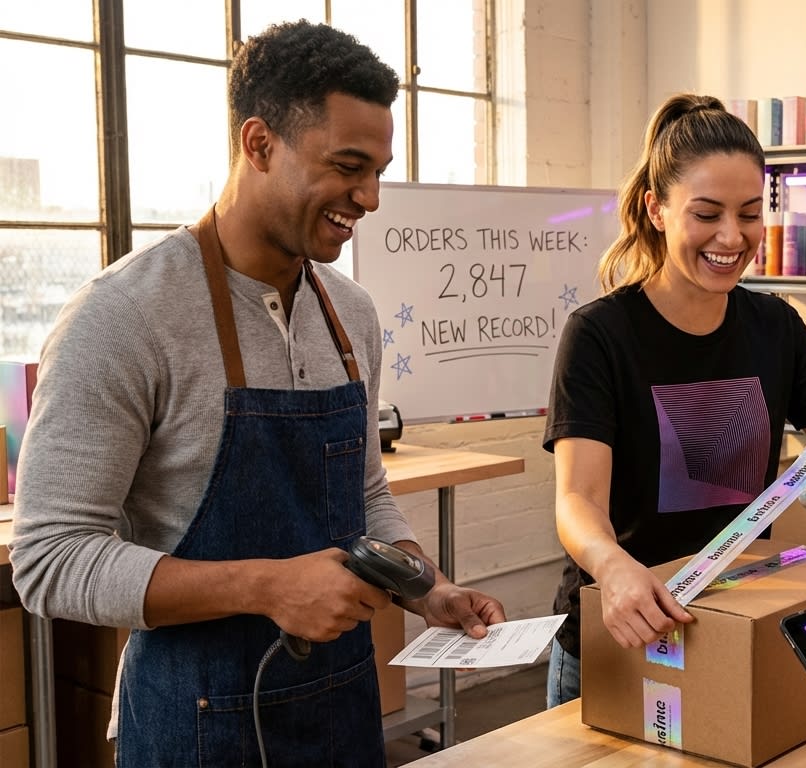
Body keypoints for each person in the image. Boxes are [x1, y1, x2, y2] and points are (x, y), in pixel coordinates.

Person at [9, 20, 506, 766]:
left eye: (378, 171)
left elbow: (363, 494)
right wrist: (267, 587)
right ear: (259, 143)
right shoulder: (123, 316)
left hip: (341, 711)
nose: (369, 197)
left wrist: (424, 587)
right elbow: (50, 559)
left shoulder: (350, 315)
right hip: (195, 723)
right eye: (348, 167)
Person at [541, 93, 806, 708]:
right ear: (656, 209)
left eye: (750, 214)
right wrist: (614, 567)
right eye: (707, 214)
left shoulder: (775, 327)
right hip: (623, 627)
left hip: (732, 622)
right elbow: (578, 500)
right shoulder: (600, 334)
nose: (732, 237)